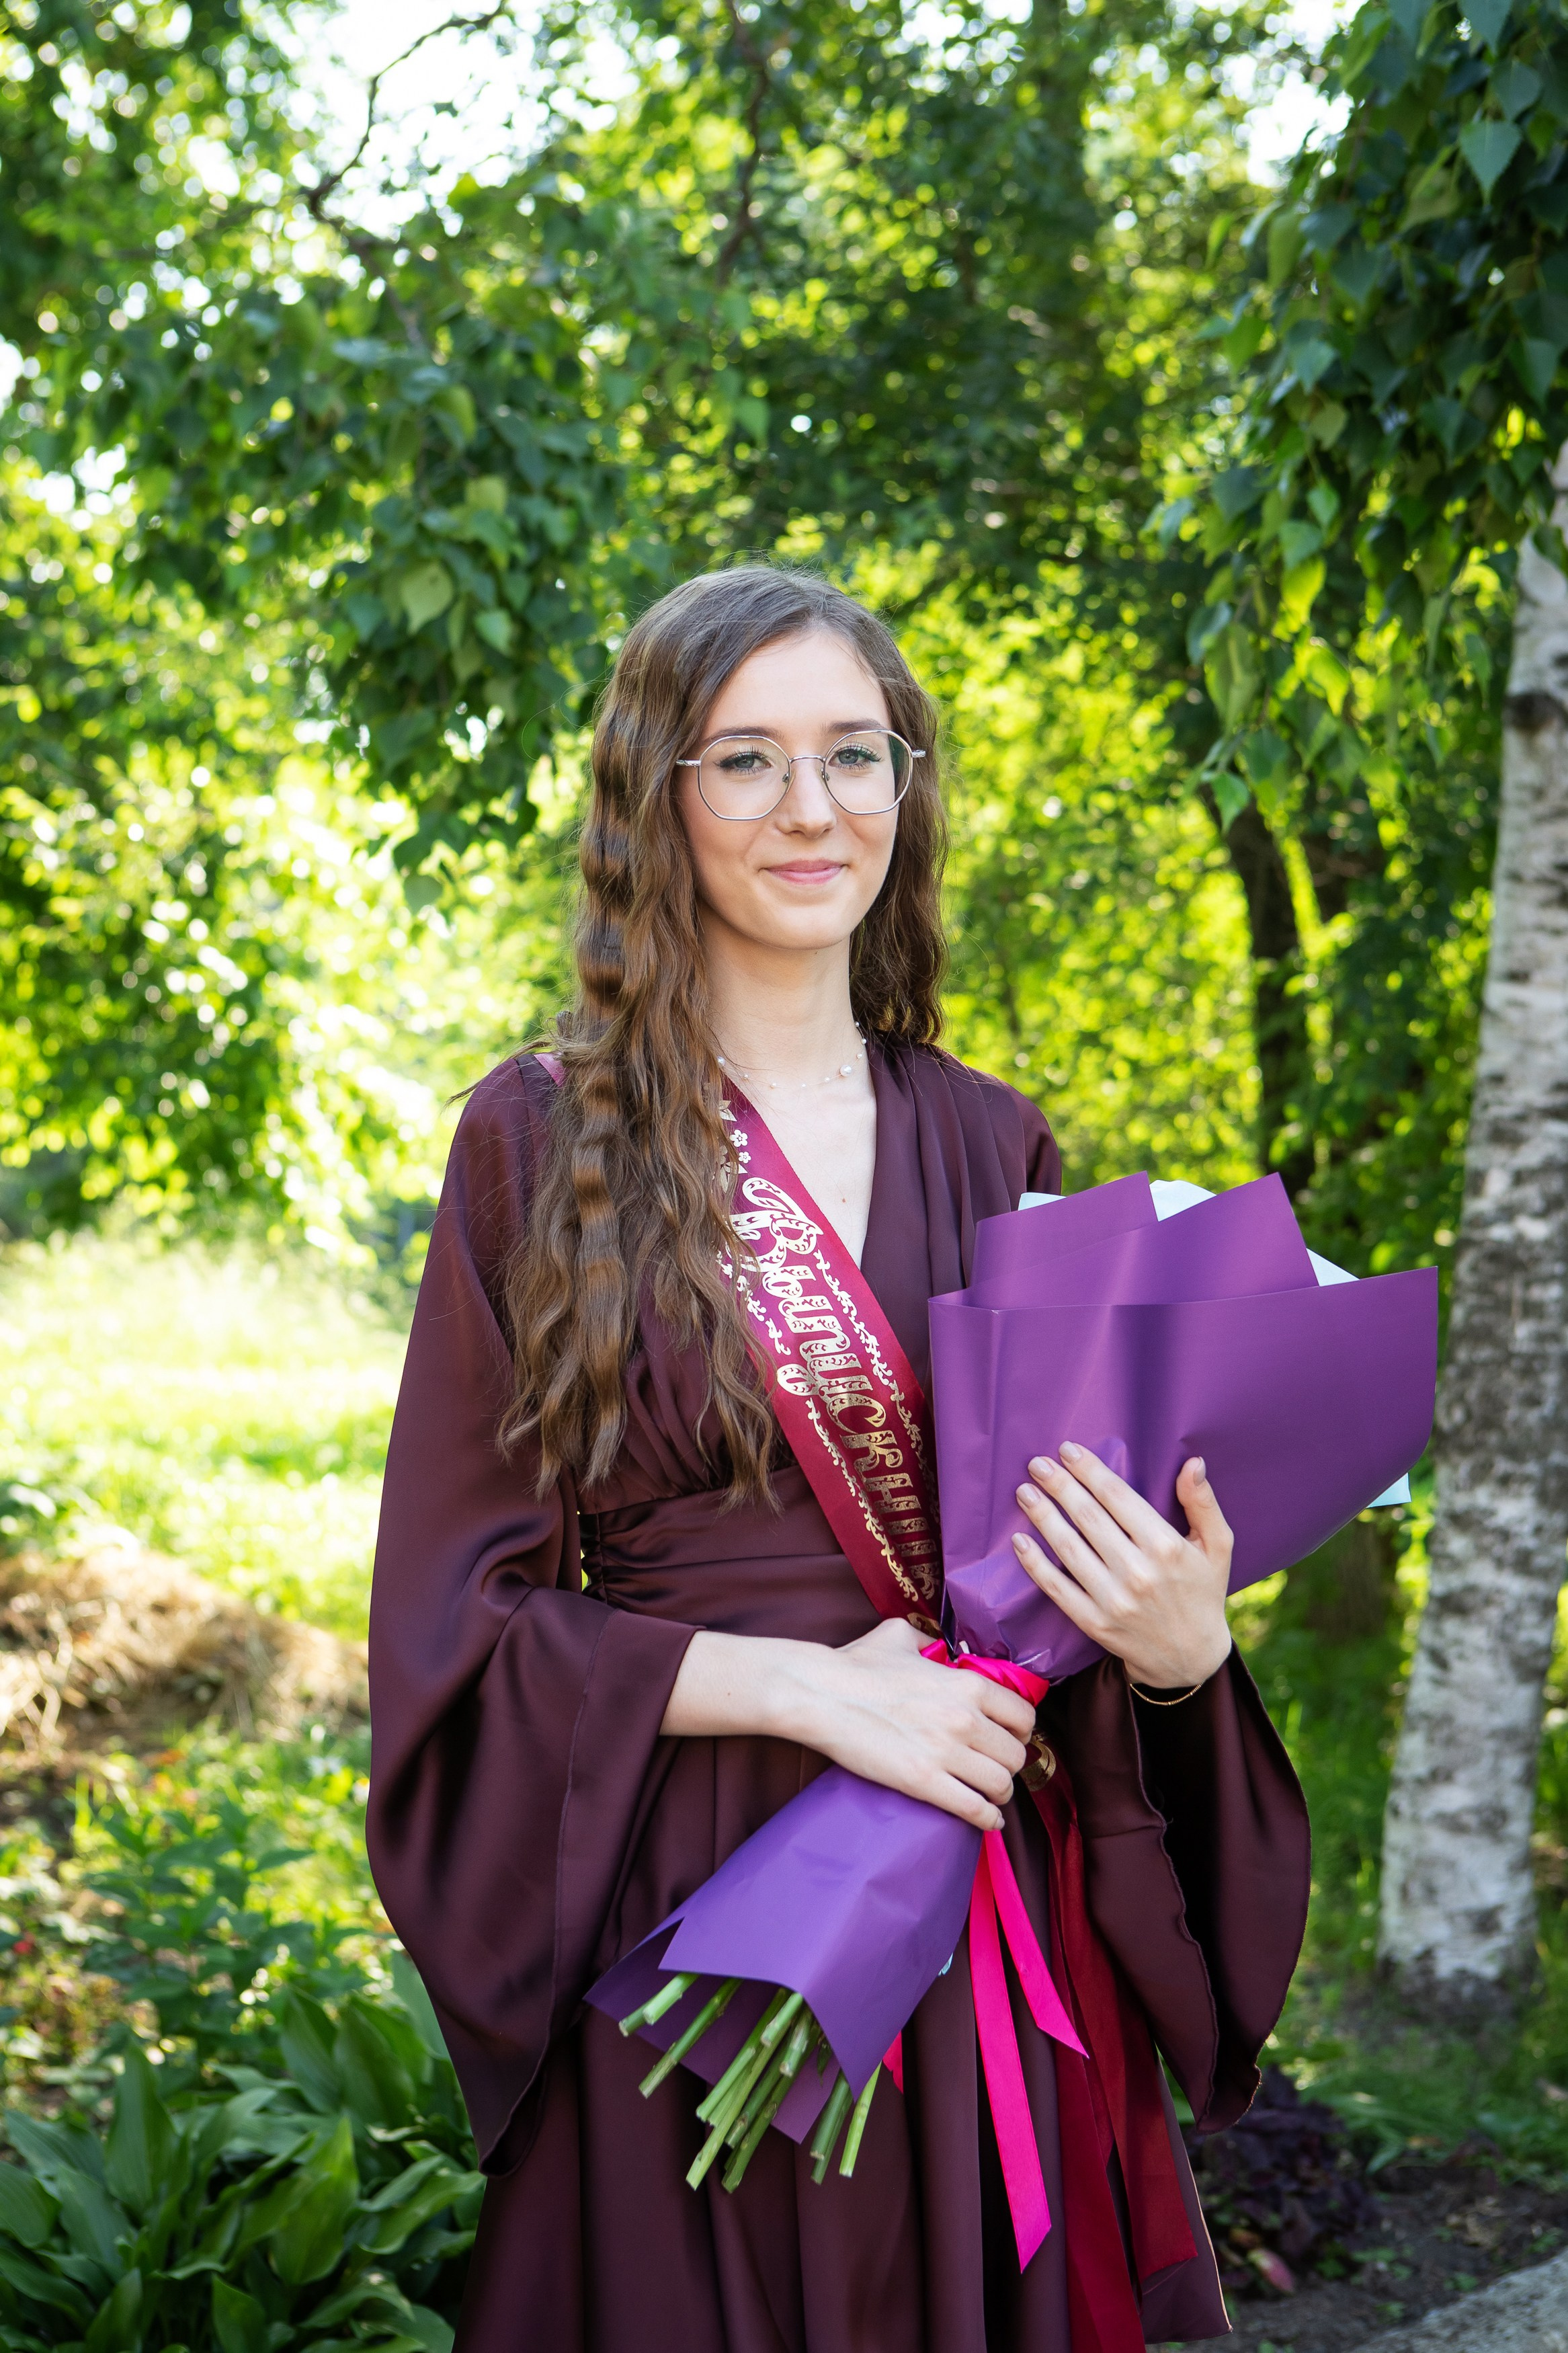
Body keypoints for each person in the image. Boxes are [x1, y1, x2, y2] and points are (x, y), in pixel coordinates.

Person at [366, 566, 1310, 2353]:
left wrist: (1181, 1646)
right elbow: (455, 1633)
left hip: (977, 1891)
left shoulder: (995, 1140)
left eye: (855, 754)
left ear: (905, 787)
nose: (814, 807)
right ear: (663, 797)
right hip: (704, 1922)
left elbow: (1063, 1554)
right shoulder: (540, 1139)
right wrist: (809, 1690)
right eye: (748, 759)